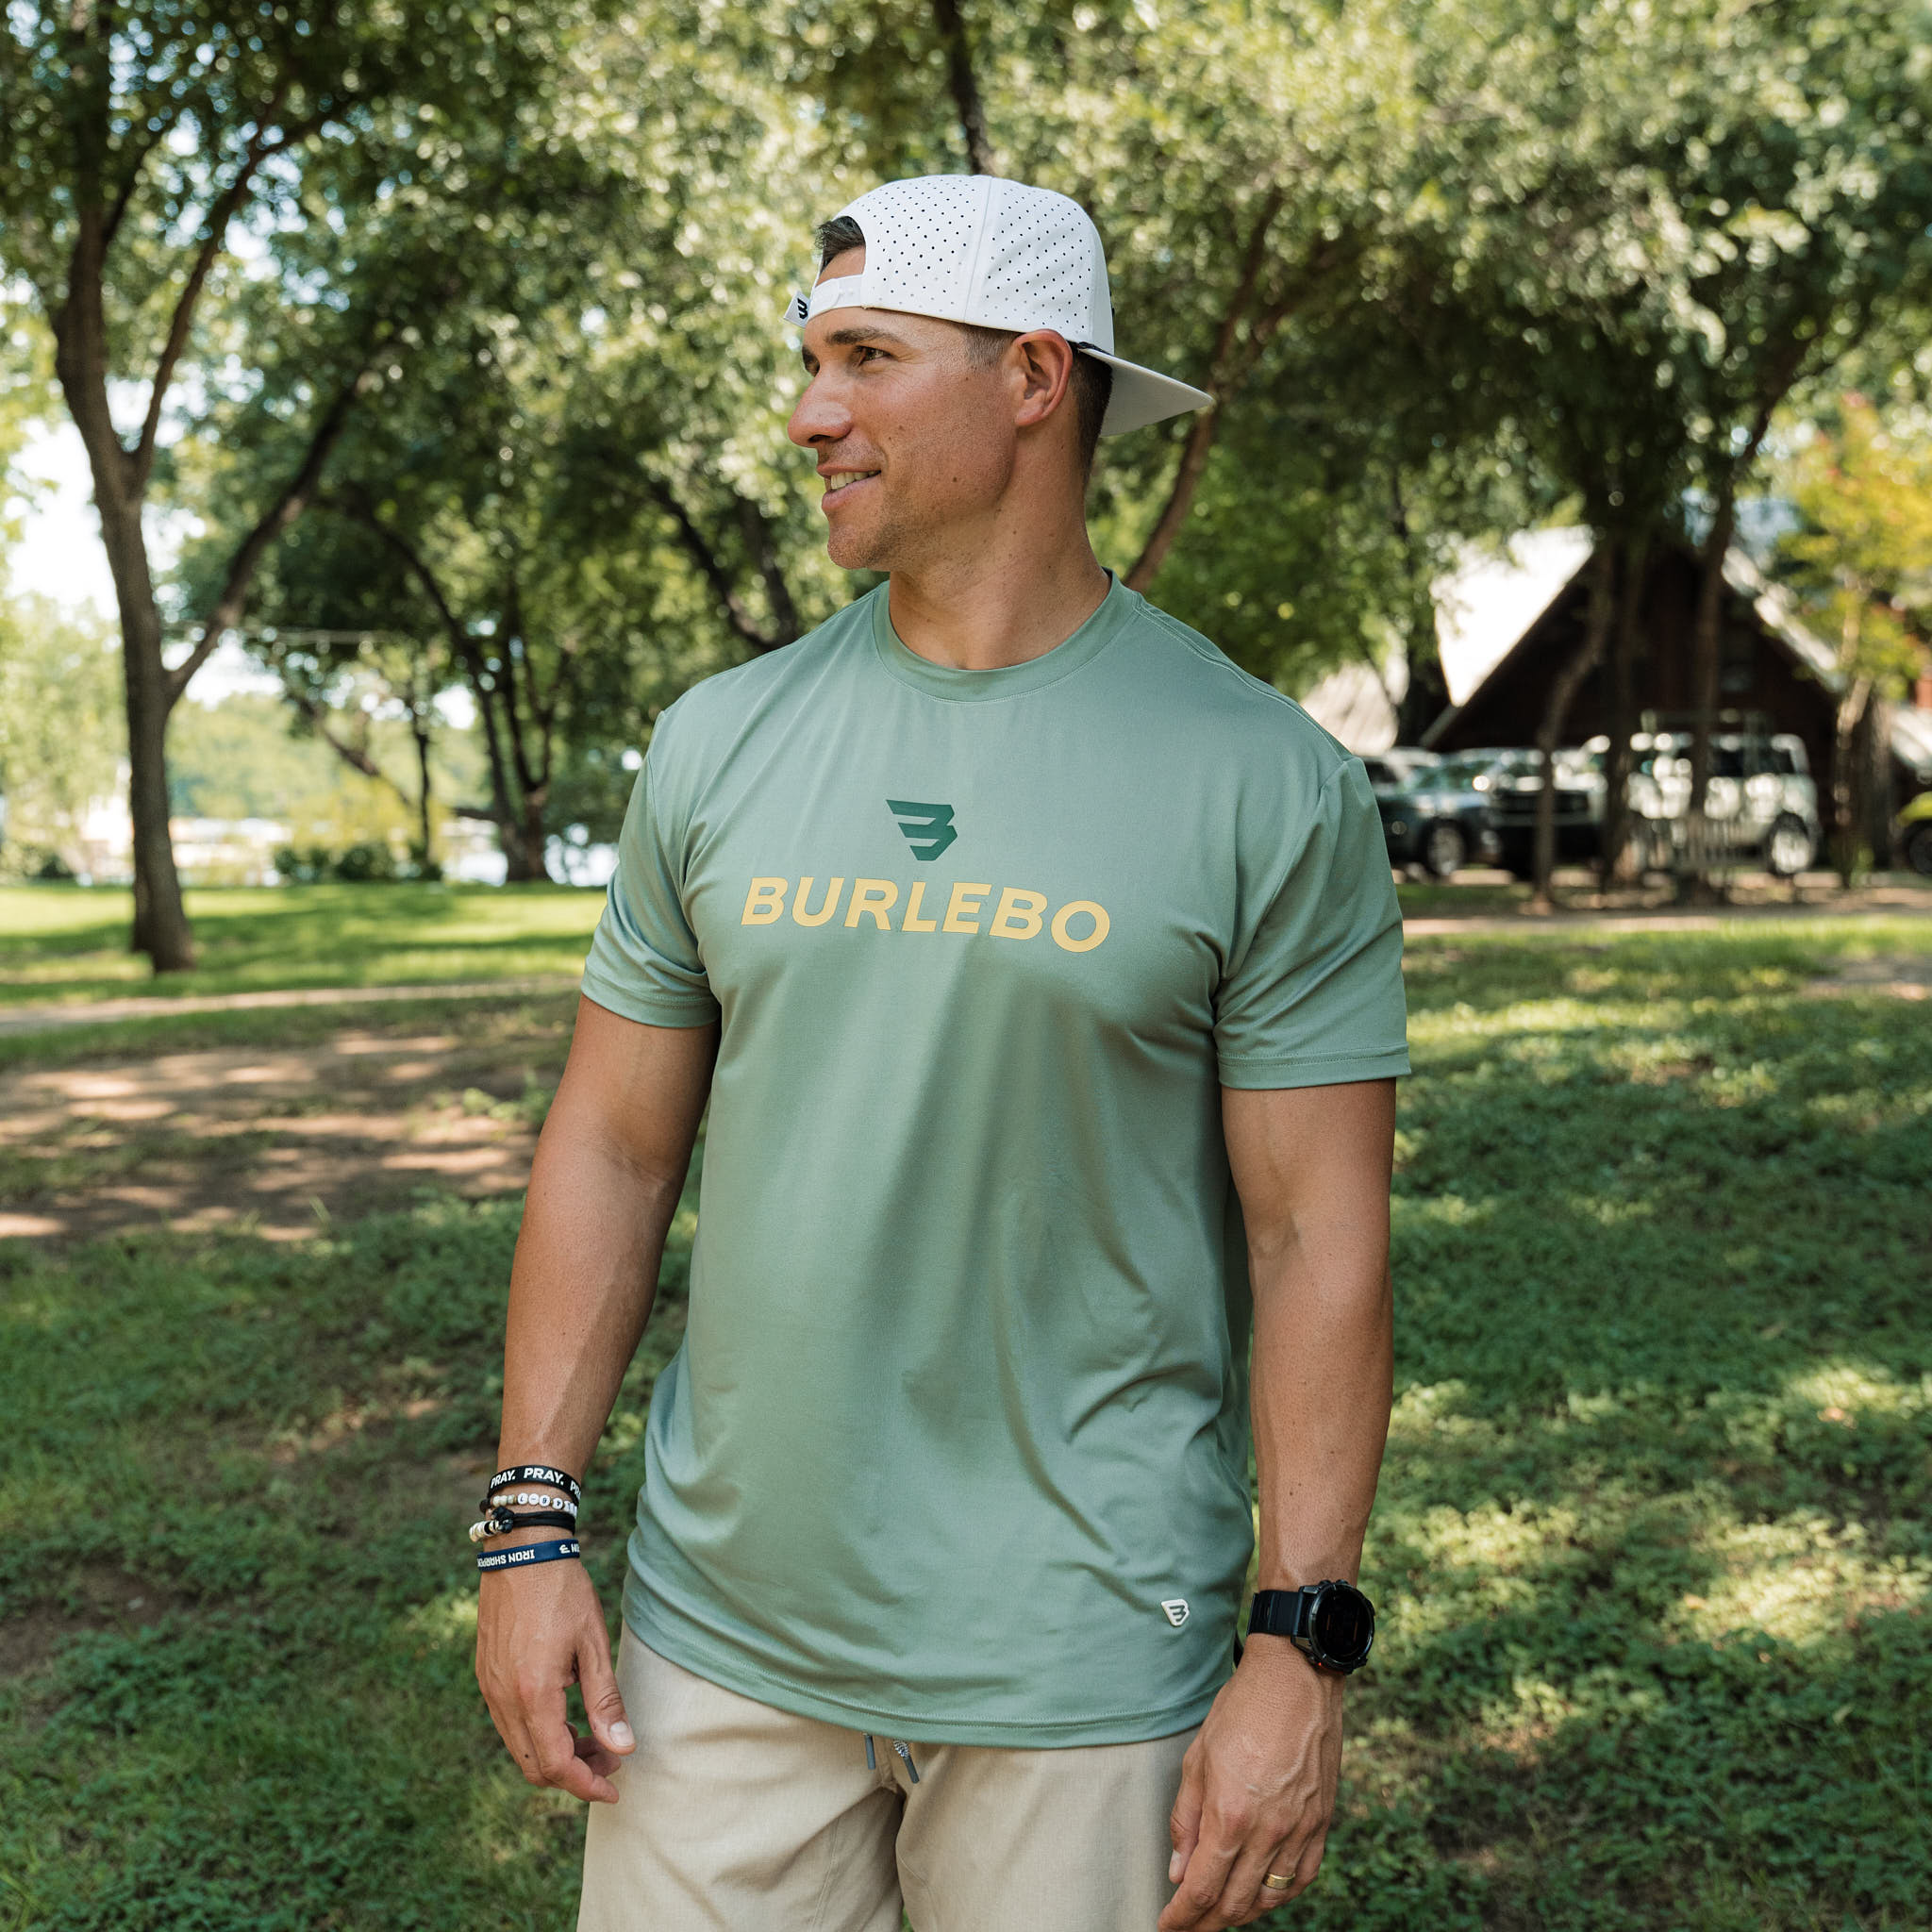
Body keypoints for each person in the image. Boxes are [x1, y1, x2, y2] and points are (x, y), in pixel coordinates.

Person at [474, 174, 1408, 1932]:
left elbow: (1315, 1235)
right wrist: (531, 1528)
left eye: (867, 357)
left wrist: (1302, 1644)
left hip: (1086, 1661)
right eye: (812, 361)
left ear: (1035, 379)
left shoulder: (1262, 779)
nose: (810, 413)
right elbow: (611, 1146)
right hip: (721, 1646)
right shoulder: (720, 744)